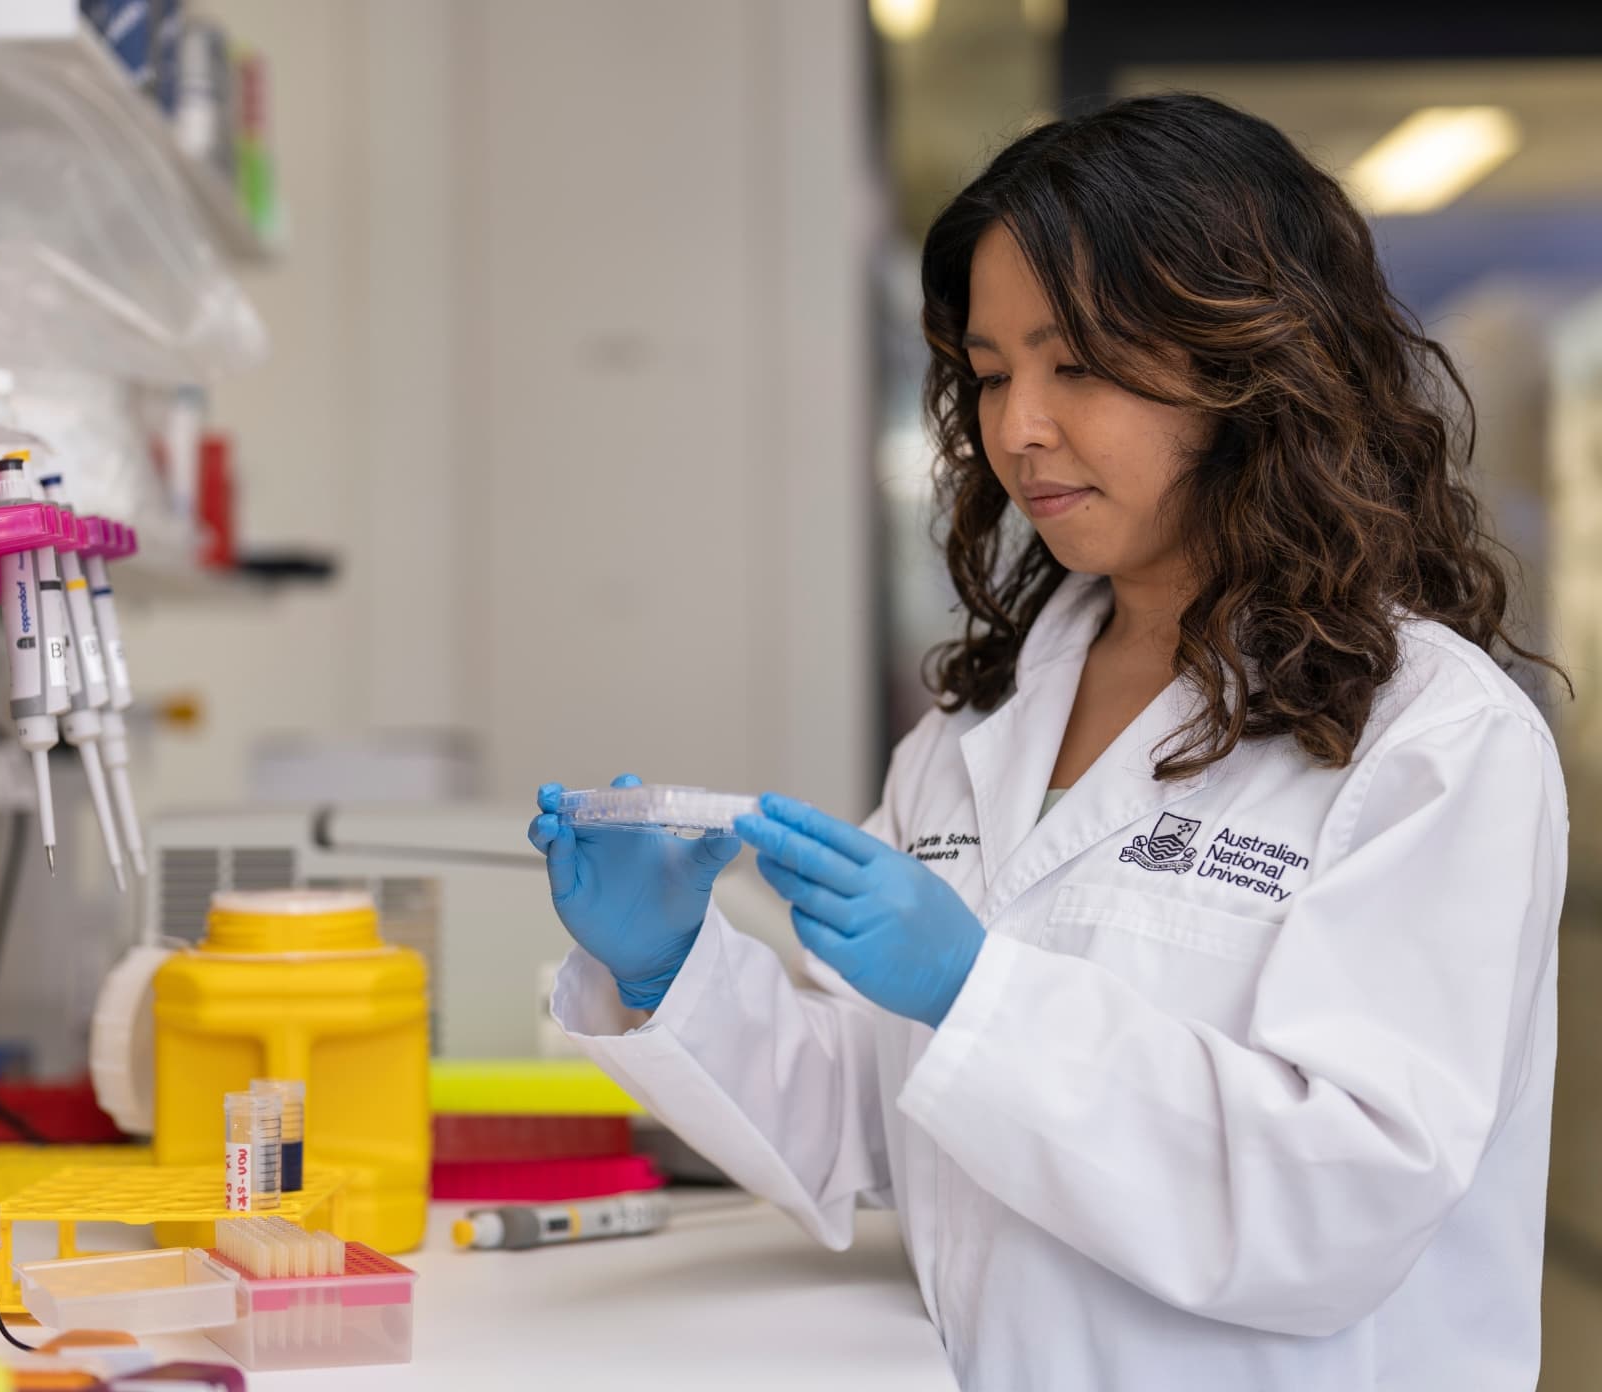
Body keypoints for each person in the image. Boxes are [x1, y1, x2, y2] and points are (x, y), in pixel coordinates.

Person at [527, 93, 1568, 1391]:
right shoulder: (981, 728)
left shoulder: (1432, 737)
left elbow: (1341, 1204)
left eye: (1076, 363)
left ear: (1254, 362)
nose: (1018, 427)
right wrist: (673, 968)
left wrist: (979, 993)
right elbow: (881, 1118)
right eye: (993, 368)